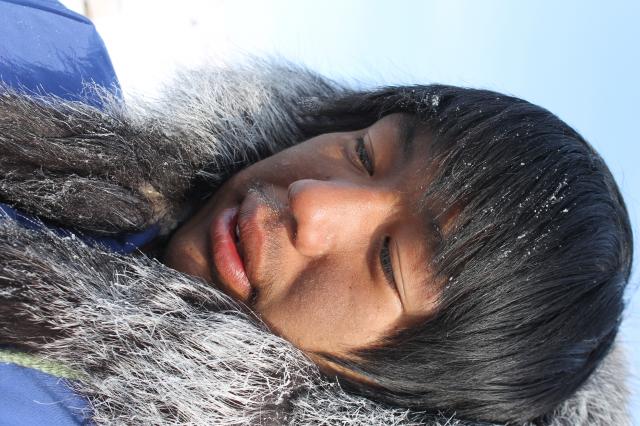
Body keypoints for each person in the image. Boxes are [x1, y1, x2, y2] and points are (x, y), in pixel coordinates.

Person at [0, 57, 632, 425]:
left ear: (408, 392)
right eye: (364, 153)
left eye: (388, 260)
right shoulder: (46, 65)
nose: (311, 200)